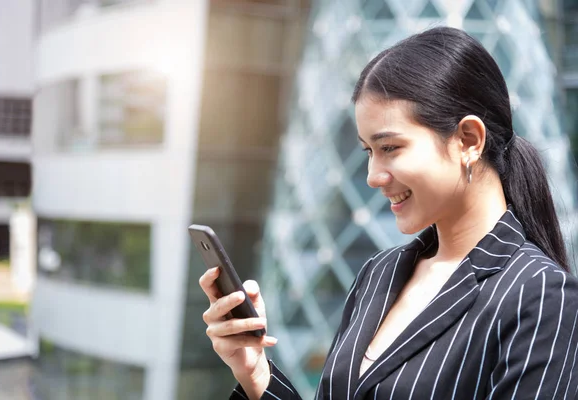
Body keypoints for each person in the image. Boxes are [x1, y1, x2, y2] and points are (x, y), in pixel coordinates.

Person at [198, 26, 578, 399]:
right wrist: (256, 372)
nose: (373, 177)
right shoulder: (379, 274)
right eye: (368, 151)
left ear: (468, 140)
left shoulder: (540, 294)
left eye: (390, 148)